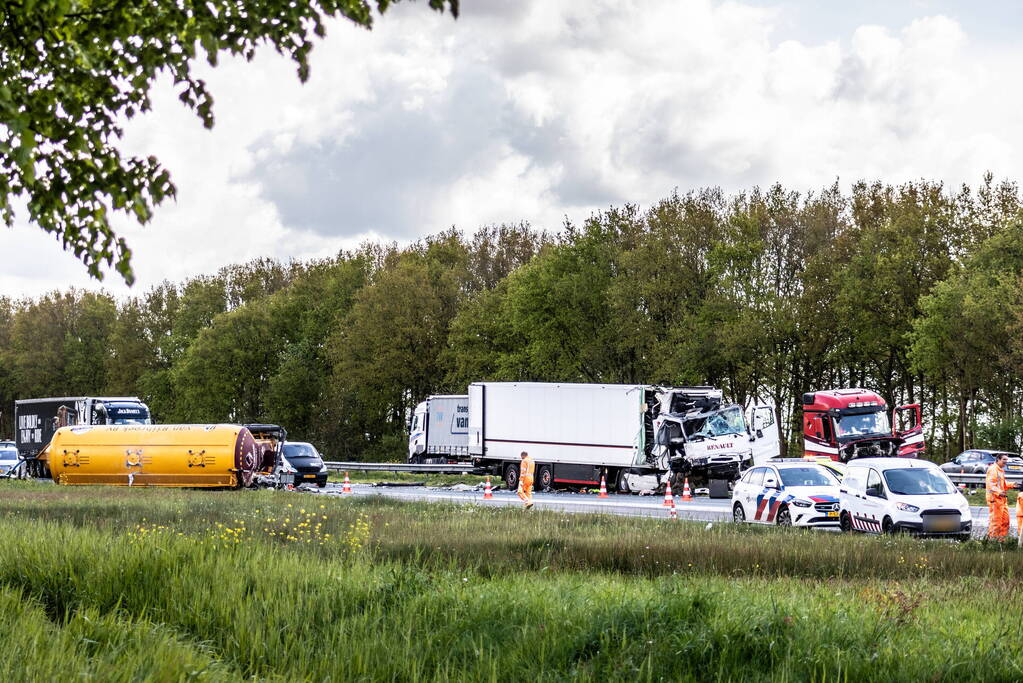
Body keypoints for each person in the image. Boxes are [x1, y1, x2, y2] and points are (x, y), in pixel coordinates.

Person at [986, 453, 1014, 540]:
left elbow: (1003, 485)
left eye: (1006, 460)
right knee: (996, 522)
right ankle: (993, 541)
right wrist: (999, 492)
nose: (1006, 462)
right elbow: (991, 485)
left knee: (1005, 521)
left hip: (1002, 499)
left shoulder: (1000, 470)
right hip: (995, 500)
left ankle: (1001, 540)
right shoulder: (993, 469)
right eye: (1004, 459)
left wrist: (1013, 484)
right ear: (998, 459)